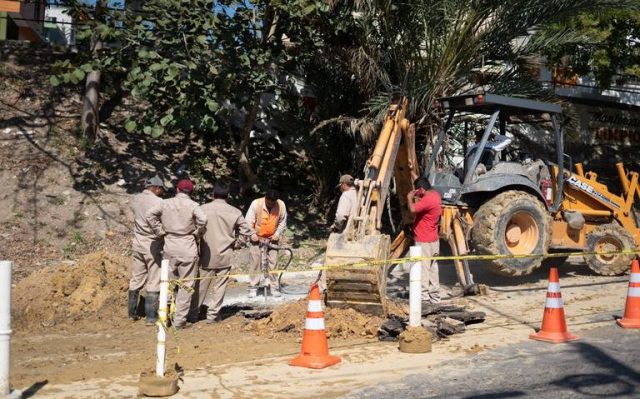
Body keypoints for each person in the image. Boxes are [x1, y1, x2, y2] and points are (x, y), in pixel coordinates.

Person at [146, 178, 207, 329]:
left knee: (168, 283)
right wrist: (197, 233)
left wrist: (160, 231)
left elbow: (149, 215)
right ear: (191, 192)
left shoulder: (165, 203)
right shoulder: (193, 205)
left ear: (178, 190)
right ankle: (179, 321)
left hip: (170, 245)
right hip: (187, 246)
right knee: (186, 285)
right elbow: (204, 219)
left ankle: (164, 317)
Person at [188, 182, 252, 323]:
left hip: (206, 254)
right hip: (225, 254)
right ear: (227, 196)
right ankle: (212, 316)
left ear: (213, 194)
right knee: (220, 286)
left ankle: (192, 315)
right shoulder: (234, 212)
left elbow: (192, 227)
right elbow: (246, 231)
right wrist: (237, 244)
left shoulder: (202, 209)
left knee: (200, 286)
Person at [128, 175, 166, 325]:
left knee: (136, 278)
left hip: (137, 243)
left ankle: (132, 313)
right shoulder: (159, 202)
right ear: (156, 188)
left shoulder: (136, 199)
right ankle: (151, 317)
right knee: (154, 279)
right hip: (152, 245)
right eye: (161, 189)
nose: (162, 192)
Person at [245, 188, 287, 298]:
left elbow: (283, 221)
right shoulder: (256, 204)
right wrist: (252, 234)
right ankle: (253, 287)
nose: (271, 204)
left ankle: (274, 287)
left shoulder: (281, 205)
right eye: (269, 202)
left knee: (273, 263)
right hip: (257, 238)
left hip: (273, 238)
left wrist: (277, 234)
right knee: (255, 262)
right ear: (265, 198)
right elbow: (248, 221)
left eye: (273, 202)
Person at [407, 176, 443, 303]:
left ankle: (424, 299)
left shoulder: (427, 199)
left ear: (421, 189)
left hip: (424, 240)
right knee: (433, 269)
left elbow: (412, 209)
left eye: (417, 190)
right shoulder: (436, 195)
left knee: (423, 269)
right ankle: (435, 297)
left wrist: (409, 198)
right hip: (433, 239)